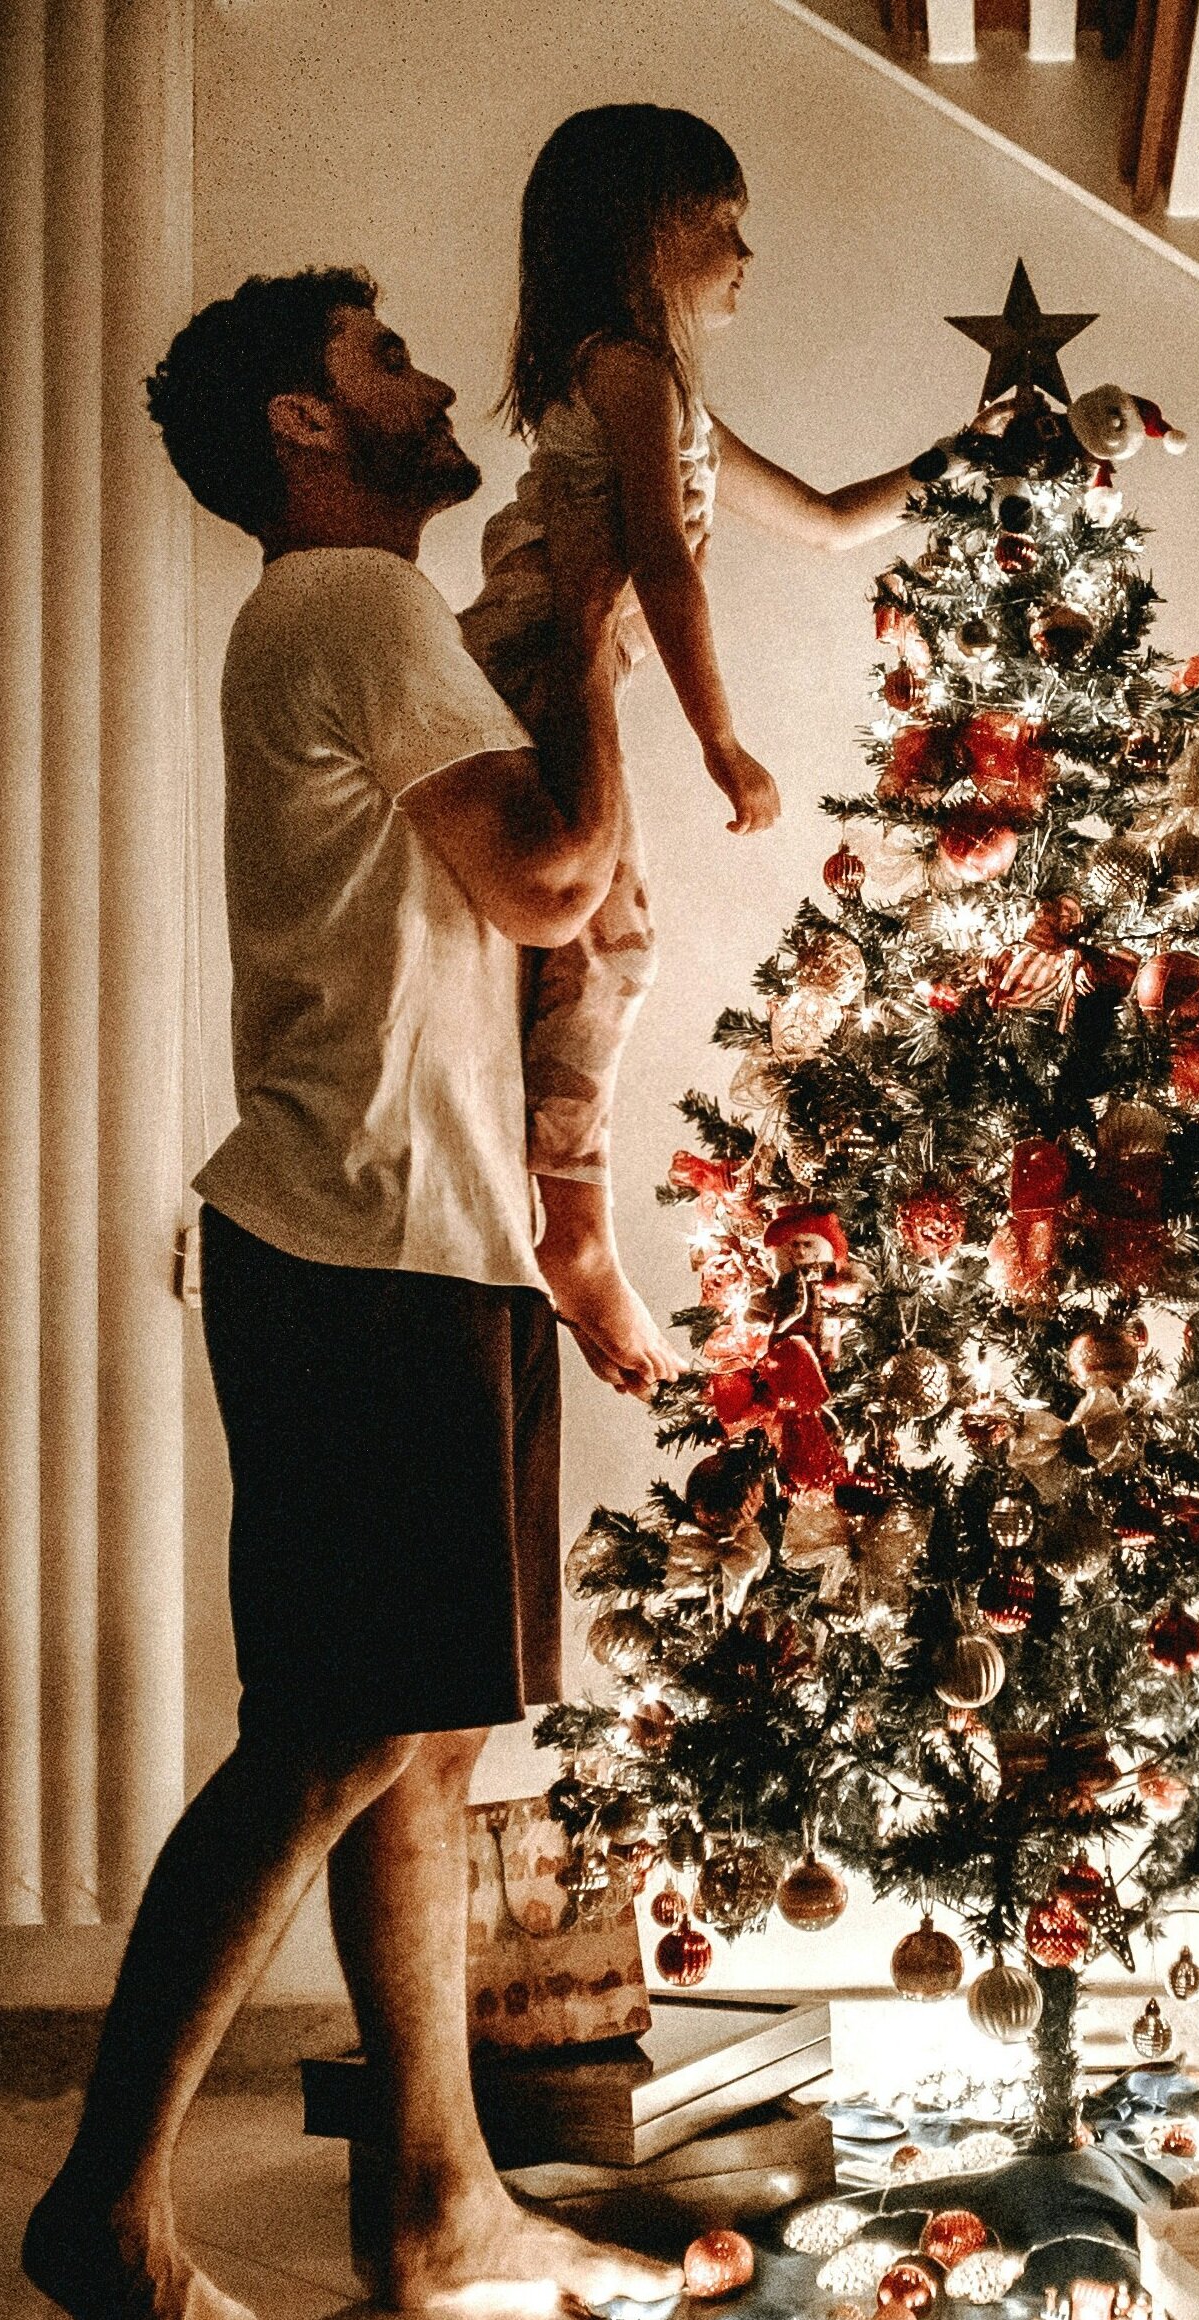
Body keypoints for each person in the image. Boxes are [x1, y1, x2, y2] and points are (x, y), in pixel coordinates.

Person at [24, 267, 674, 2320]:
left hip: (427, 1233)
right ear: (305, 426)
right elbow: (556, 876)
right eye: (377, 360)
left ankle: (433, 2190)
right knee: (327, 1721)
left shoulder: (356, 628)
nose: (415, 386)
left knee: (415, 1720)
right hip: (366, 1238)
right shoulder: (348, 607)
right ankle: (108, 2202)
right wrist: (588, 611)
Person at [467, 104, 940, 1398]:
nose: (746, 256)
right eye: (724, 227)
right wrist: (724, 743)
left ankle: (555, 1212)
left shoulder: (662, 395)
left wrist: (966, 460)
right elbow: (664, 567)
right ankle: (569, 1231)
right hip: (526, 681)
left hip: (553, 687)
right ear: (646, 239)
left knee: (592, 948)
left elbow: (834, 520)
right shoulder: (628, 370)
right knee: (605, 939)